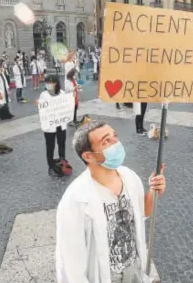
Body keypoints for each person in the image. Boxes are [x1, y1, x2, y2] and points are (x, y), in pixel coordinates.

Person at [56, 121, 166, 282]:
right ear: (88, 156)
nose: (116, 142)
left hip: (135, 268)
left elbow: (141, 214)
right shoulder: (75, 200)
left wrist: (154, 191)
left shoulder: (129, 177)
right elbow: (70, 265)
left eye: (114, 136)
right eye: (106, 141)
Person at [36, 75, 69, 177]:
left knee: (61, 143)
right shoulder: (44, 95)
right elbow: (42, 109)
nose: (47, 85)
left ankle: (62, 161)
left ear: (55, 83)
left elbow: (66, 106)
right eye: (46, 83)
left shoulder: (62, 93)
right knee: (50, 146)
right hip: (50, 125)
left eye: (49, 82)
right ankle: (50, 165)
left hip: (60, 124)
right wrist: (39, 105)